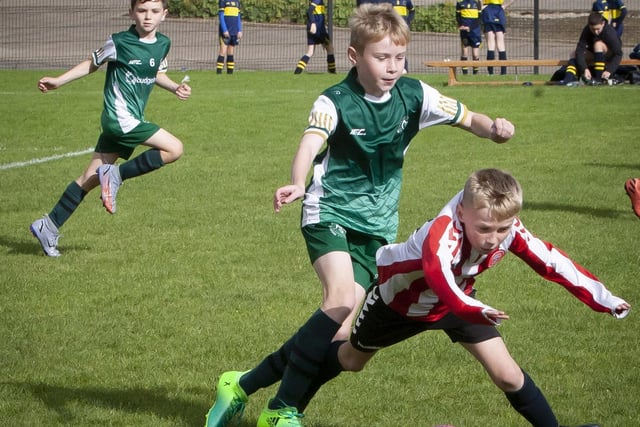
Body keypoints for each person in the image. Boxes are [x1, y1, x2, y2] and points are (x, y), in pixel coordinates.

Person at [204, 4, 515, 427]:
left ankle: (240, 384)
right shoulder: (335, 101)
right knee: (339, 300)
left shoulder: (415, 95)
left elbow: (466, 116)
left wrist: (493, 128)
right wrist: (298, 182)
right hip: (327, 209)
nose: (392, 67)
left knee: (337, 330)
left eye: (399, 57)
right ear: (354, 56)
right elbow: (309, 143)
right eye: (381, 57)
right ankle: (282, 412)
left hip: (377, 228)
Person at [316, 168, 631, 426]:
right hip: (399, 303)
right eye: (486, 229)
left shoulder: (506, 230)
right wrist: (470, 307)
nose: (494, 240)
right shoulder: (442, 234)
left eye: (503, 229)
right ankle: (299, 377)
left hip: (458, 304)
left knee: (507, 374)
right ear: (463, 213)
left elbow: (552, 262)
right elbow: (438, 276)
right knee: (350, 360)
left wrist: (604, 298)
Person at [29, 0, 191, 257]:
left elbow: (155, 71)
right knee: (175, 148)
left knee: (88, 180)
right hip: (120, 120)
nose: (147, 17)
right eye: (141, 10)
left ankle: (48, 225)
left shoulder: (163, 44)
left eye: (154, 11)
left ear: (164, 15)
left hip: (129, 120)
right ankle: (116, 175)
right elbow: (92, 63)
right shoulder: (119, 42)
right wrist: (59, 81)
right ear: (131, 13)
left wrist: (175, 88)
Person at [561, 11, 623, 85]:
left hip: (608, 57)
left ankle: (598, 79)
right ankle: (568, 80)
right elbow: (580, 50)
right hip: (595, 55)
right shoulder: (586, 30)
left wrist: (609, 71)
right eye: (593, 29)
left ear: (603, 24)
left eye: (598, 29)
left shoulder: (609, 33)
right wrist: (584, 69)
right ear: (589, 25)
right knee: (574, 53)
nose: (596, 32)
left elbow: (618, 54)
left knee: (598, 44)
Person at [294, 0, 336, 75]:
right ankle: (332, 73)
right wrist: (313, 23)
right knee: (330, 48)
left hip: (313, 28)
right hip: (318, 29)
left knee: (310, 52)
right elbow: (310, 10)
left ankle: (297, 72)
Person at [481, 0, 514, 75]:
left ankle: (490, 73)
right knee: (501, 45)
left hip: (488, 10)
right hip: (499, 10)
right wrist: (505, 5)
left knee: (490, 44)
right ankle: (503, 72)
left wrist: (481, 8)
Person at [456, 0, 482, 75]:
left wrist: (470, 27)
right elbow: (458, 16)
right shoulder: (460, 2)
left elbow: (479, 19)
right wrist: (461, 25)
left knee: (475, 54)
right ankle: (465, 74)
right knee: (465, 52)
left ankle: (475, 74)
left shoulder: (477, 3)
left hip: (475, 32)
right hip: (464, 31)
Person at [216, 0, 242, 74]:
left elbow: (238, 17)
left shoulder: (237, 2)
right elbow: (221, 16)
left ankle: (230, 73)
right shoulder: (223, 1)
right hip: (226, 31)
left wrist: (239, 30)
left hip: (234, 30)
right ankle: (218, 73)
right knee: (223, 51)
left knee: (231, 51)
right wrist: (224, 30)